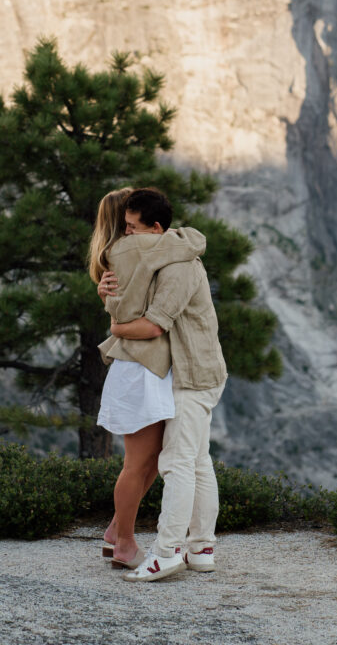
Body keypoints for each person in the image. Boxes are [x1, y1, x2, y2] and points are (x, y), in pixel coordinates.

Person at [100, 187, 228, 583]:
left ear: (156, 228)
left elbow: (156, 323)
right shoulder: (166, 254)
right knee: (198, 461)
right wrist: (108, 295)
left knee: (175, 463)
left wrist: (117, 326)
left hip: (192, 376)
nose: (128, 237)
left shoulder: (178, 266)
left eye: (134, 229)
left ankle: (168, 553)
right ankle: (201, 549)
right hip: (194, 372)